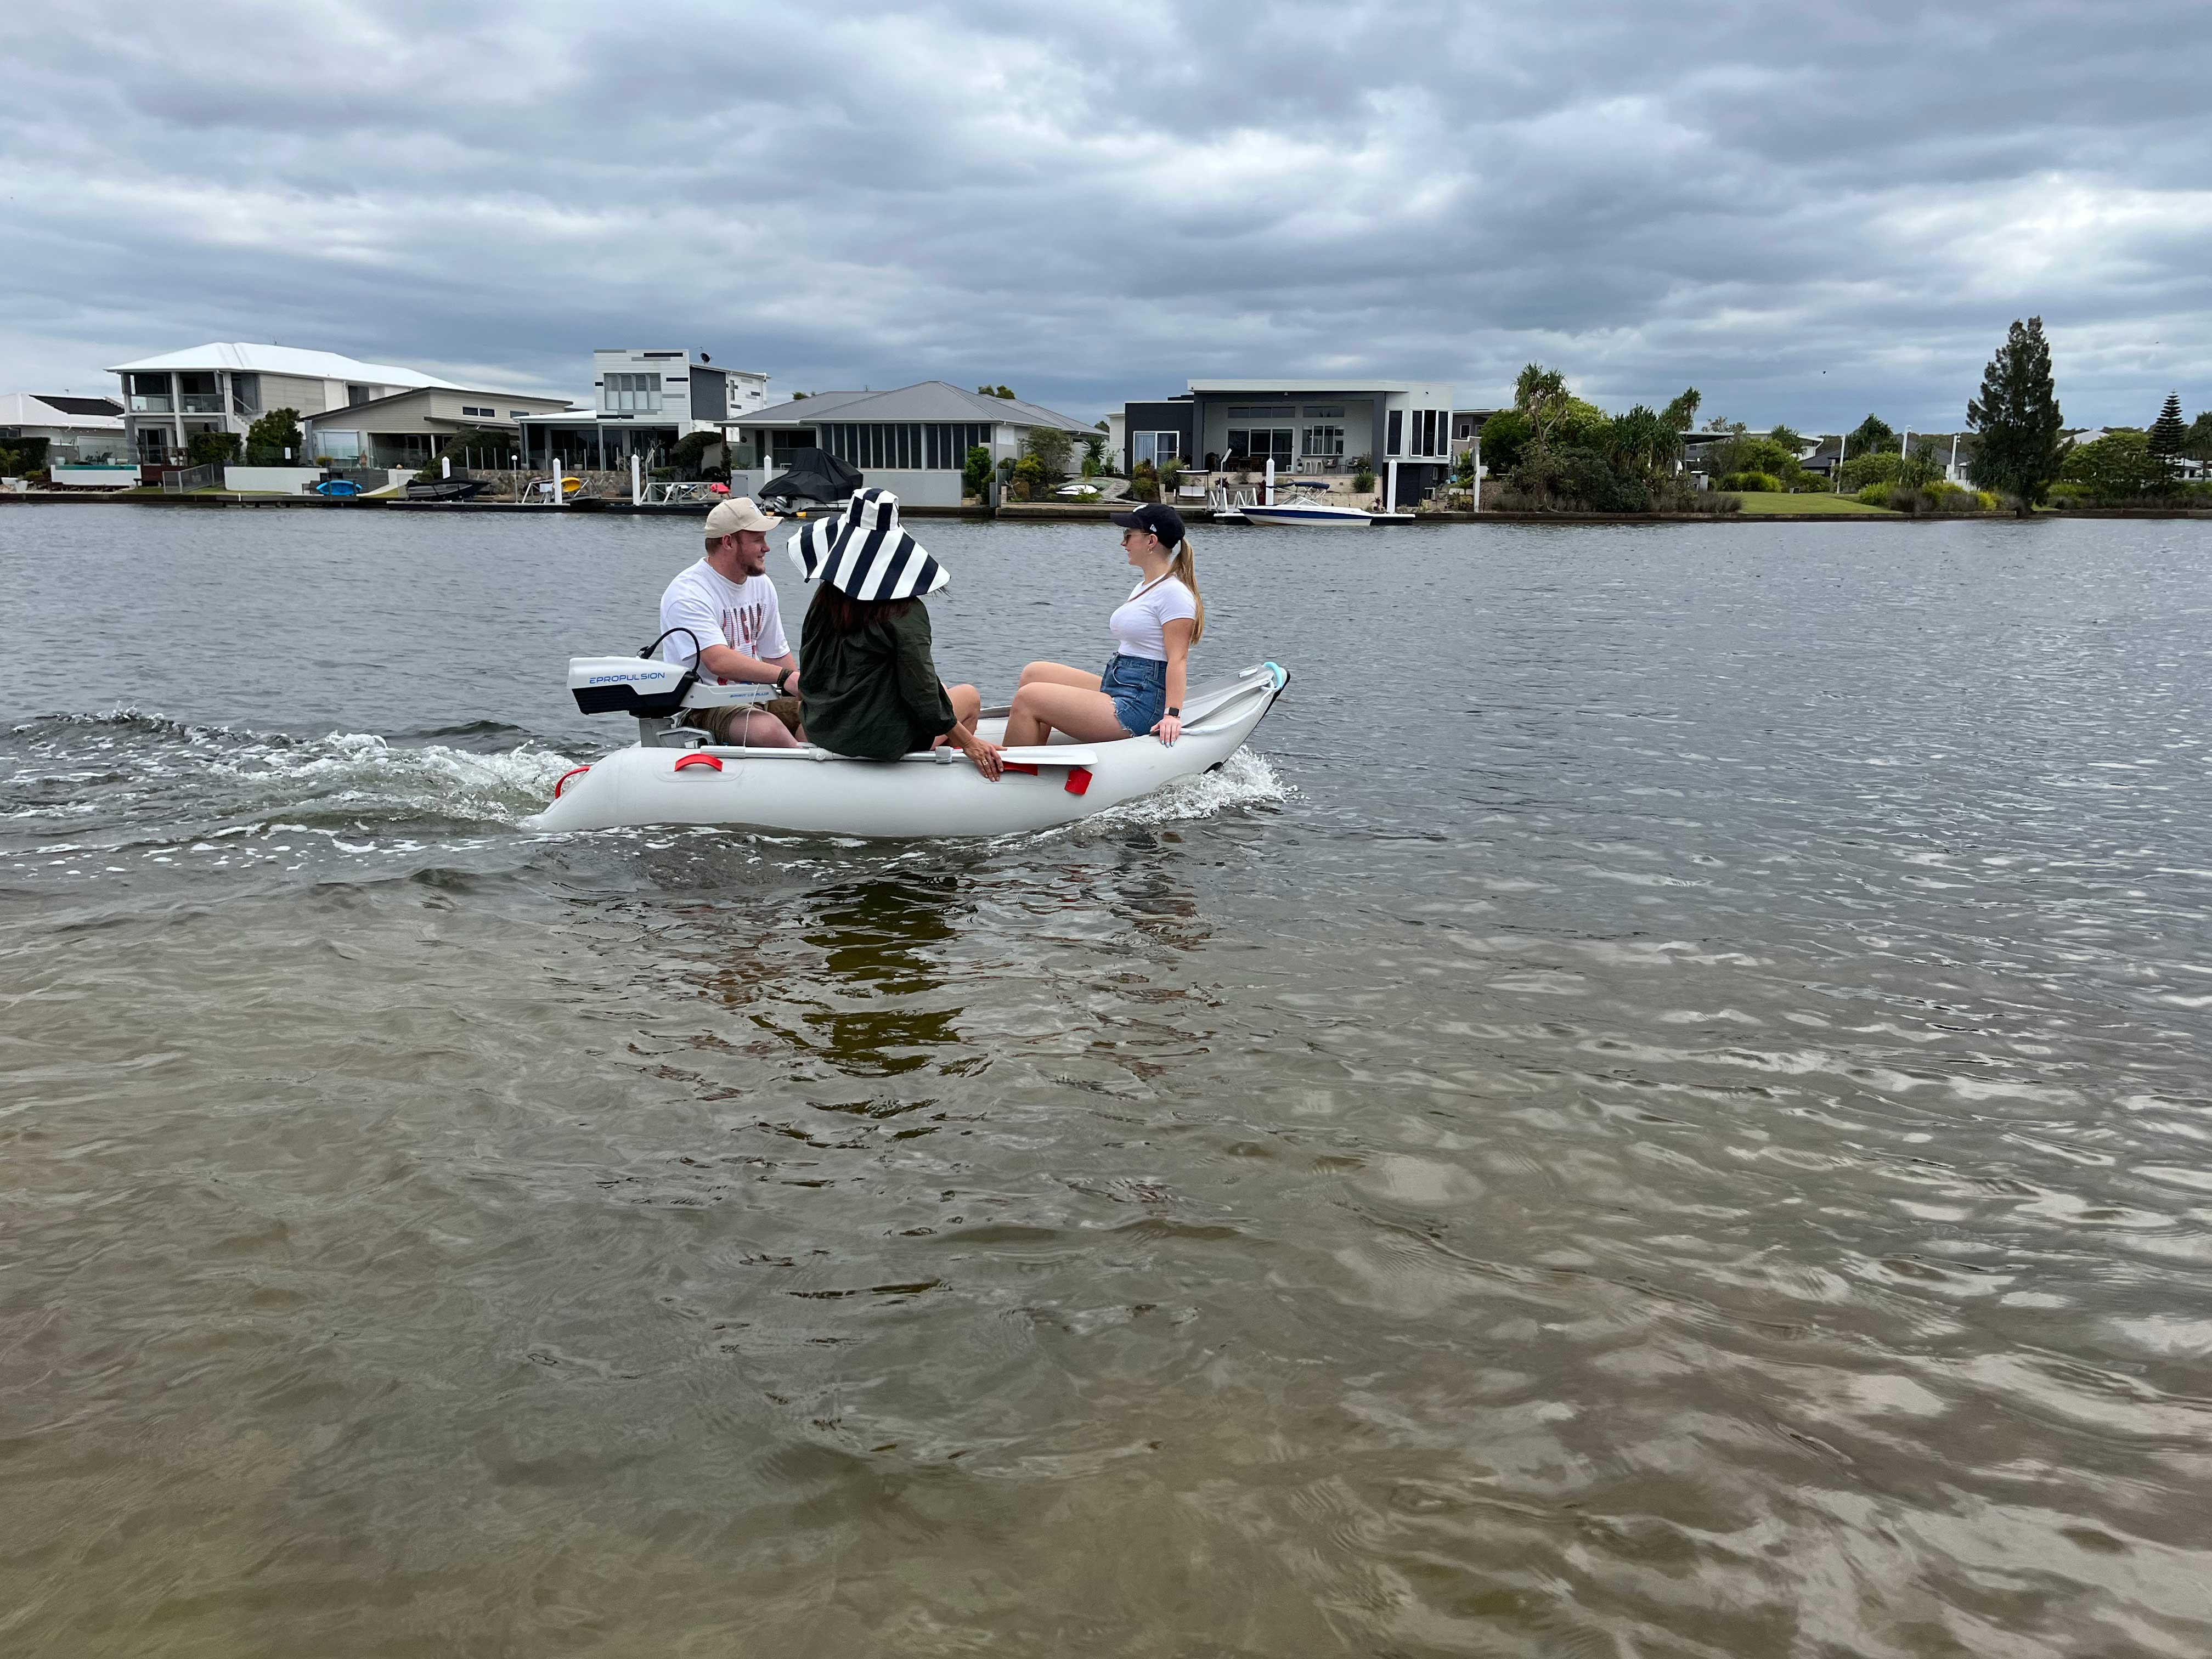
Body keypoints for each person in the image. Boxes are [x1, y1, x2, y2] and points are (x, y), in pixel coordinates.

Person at [787, 489, 1003, 779]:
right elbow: (924, 696)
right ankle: (938, 780)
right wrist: (969, 742)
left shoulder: (825, 598)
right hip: (881, 739)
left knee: (941, 689)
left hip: (824, 727)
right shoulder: (905, 612)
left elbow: (811, 673)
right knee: (969, 696)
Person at [1003, 501, 1205, 748]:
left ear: (1151, 541)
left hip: (1139, 704)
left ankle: (1010, 769)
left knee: (1029, 698)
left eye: (1128, 535)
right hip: (1120, 684)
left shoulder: (1174, 594)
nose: (1123, 543)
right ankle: (1034, 749)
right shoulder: (1146, 587)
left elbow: (1178, 659)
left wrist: (1172, 715)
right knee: (1034, 674)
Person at [657, 495, 802, 747]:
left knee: (825, 717)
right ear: (728, 542)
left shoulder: (761, 585)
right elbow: (718, 661)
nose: (766, 548)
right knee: (768, 730)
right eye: (758, 540)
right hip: (703, 707)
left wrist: (804, 688)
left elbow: (776, 655)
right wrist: (785, 678)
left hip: (758, 697)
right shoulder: (688, 593)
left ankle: (810, 773)